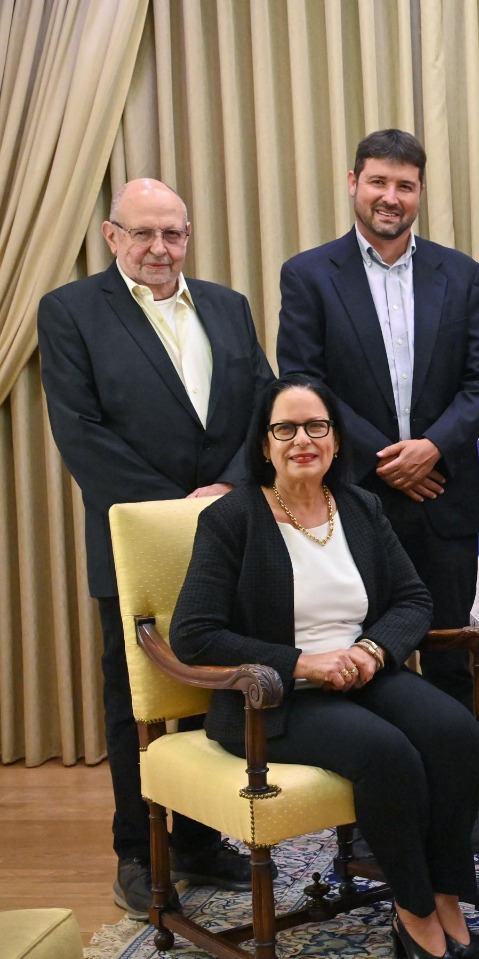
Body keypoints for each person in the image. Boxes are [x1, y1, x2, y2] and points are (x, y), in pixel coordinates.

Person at [170, 376, 479, 959]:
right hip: (271, 697)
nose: (302, 441)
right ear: (263, 444)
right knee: (386, 752)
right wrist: (300, 663)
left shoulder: (361, 508)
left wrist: (372, 649)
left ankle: (445, 893)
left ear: (336, 440)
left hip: (360, 672)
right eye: (285, 428)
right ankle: (413, 908)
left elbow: (413, 600)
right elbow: (194, 633)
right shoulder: (231, 518)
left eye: (316, 426)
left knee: (454, 733)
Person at [39, 178, 273, 919]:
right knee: (134, 700)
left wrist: (229, 489)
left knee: (217, 687)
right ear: (112, 237)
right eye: (142, 233)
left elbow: (263, 408)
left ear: (188, 235)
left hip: (229, 531)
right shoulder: (71, 311)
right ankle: (138, 853)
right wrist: (177, 513)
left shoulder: (228, 306)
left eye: (172, 233)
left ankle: (200, 841)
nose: (158, 248)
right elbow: (81, 432)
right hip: (135, 538)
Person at [278, 129, 479, 711]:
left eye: (405, 185)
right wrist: (388, 461)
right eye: (378, 182)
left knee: (451, 660)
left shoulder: (461, 274)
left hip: (443, 498)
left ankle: (456, 771)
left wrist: (432, 448)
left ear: (420, 192)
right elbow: (303, 385)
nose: (390, 197)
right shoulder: (309, 275)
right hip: (353, 500)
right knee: (361, 663)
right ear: (354, 183)